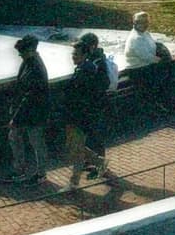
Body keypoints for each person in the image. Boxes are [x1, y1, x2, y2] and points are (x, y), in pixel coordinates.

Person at [62, 34, 112, 185]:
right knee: (78, 145)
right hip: (84, 112)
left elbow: (87, 92)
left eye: (75, 54)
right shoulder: (87, 66)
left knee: (84, 142)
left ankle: (92, 168)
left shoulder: (91, 67)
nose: (73, 57)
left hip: (85, 113)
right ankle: (97, 163)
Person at [7, 34, 51, 184]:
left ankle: (38, 173)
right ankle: (25, 170)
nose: (20, 55)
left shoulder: (34, 67)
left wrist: (16, 117)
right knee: (21, 139)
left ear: (30, 50)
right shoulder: (29, 62)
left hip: (33, 113)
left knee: (36, 142)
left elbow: (29, 95)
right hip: (29, 112)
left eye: (22, 52)